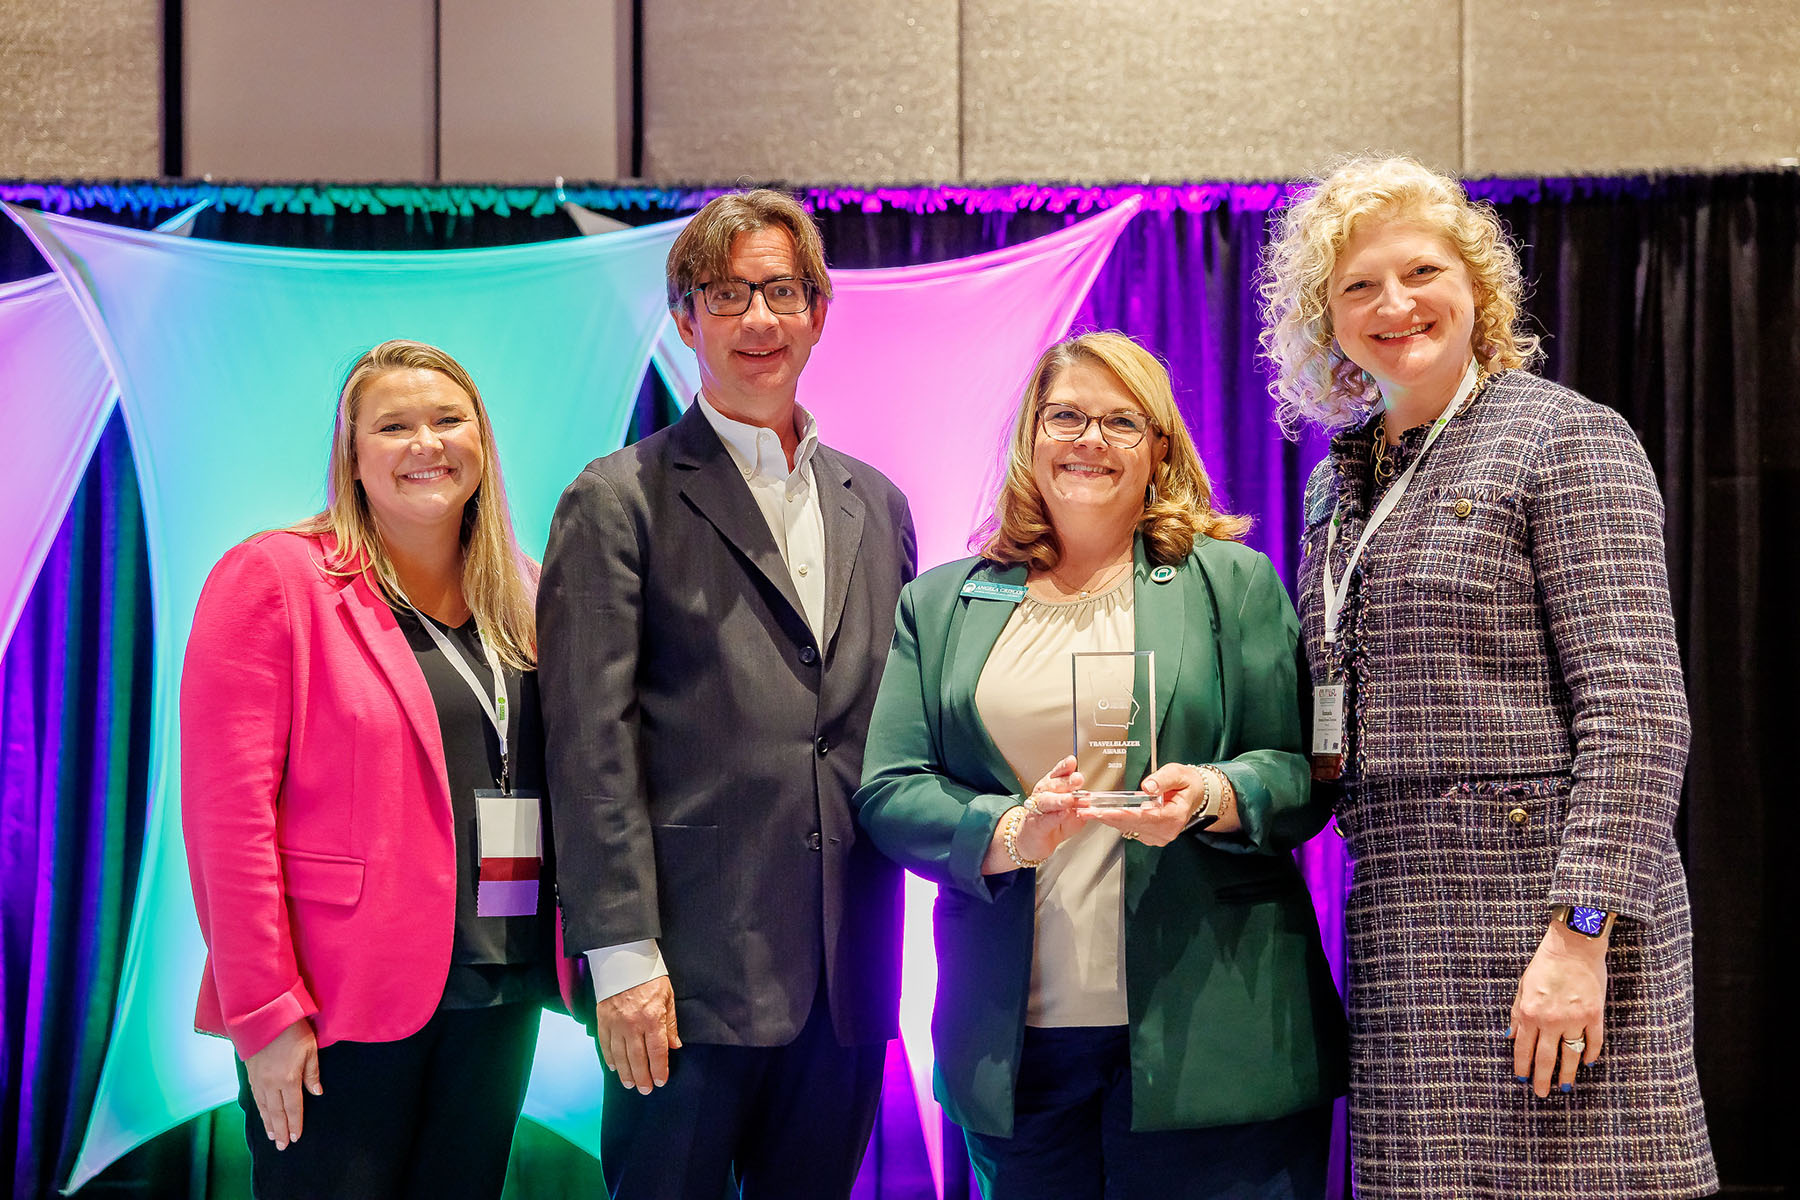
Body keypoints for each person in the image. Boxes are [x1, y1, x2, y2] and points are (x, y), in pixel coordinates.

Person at [1259, 156, 1718, 1198]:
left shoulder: (1566, 439)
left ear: (1478, 288)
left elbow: (1638, 711)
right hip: (1400, 924)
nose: (1396, 304)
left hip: (1549, 921)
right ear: (1325, 318)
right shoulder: (1337, 484)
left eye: (1422, 271)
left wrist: (1582, 931)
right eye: (1359, 286)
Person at [854, 331, 1346, 1200]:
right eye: (1067, 416)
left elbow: (1302, 772)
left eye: (1122, 422)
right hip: (1021, 1054)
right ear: (1030, 437)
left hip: (1213, 1039)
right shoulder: (945, 602)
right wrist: (1007, 828)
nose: (1090, 440)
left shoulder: (1229, 584)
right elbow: (891, 790)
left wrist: (1212, 794)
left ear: (1161, 447)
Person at [538, 189, 917, 1200]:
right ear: (685, 317)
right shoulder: (616, 498)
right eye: (730, 293)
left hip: (845, 982)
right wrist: (620, 954)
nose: (760, 319)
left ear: (820, 314)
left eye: (783, 292)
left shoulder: (878, 504)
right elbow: (587, 745)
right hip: (681, 981)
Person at [180, 339, 556, 1198]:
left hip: (498, 991)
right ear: (351, 456)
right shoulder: (276, 578)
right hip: (340, 1002)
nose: (426, 443)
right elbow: (225, 821)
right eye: (394, 426)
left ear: (483, 444)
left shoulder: (527, 595)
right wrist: (264, 1013)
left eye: (448, 420)